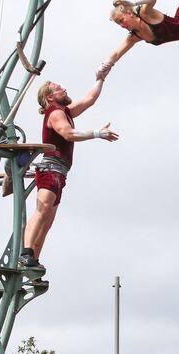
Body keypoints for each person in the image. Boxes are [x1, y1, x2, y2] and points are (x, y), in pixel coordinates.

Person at [18, 78, 119, 272]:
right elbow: (69, 134)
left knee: (48, 220)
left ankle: (34, 261)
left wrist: (101, 76)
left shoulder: (65, 112)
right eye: (59, 88)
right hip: (51, 168)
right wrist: (97, 133)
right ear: (49, 97)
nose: (64, 88)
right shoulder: (56, 113)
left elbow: (90, 98)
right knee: (43, 211)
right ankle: (25, 254)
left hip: (60, 172)